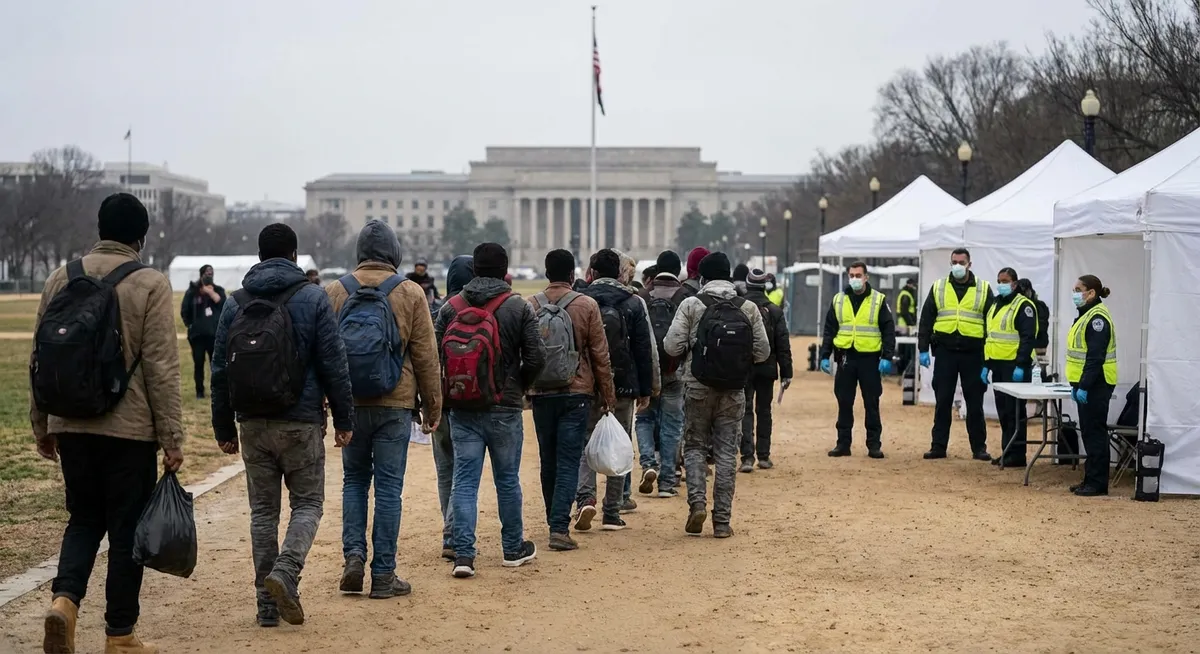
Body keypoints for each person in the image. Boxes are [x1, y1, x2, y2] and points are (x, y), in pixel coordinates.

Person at [33, 193, 184, 654]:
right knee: (125, 533)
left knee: (82, 521)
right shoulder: (150, 283)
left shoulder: (62, 276)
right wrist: (172, 437)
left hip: (72, 421)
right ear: (141, 236)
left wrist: (42, 424)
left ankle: (64, 602)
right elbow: (160, 366)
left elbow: (40, 357)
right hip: (129, 429)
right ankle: (119, 634)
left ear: (100, 228)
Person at [211, 223, 355, 627]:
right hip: (301, 418)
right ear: (294, 255)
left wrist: (223, 427)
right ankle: (286, 571)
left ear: (260, 256)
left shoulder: (235, 302)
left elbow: (220, 369)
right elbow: (333, 363)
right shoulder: (312, 297)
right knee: (307, 505)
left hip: (252, 421)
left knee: (262, 512)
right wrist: (344, 419)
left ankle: (266, 604)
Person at [324, 221, 442, 599]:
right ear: (395, 252)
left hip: (350, 402)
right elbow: (426, 357)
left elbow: (322, 355)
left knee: (354, 482)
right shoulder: (410, 292)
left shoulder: (335, 291)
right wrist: (432, 408)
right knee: (389, 488)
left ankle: (353, 558)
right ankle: (384, 574)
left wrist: (327, 401)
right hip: (396, 401)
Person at [434, 243, 545, 578]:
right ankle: (512, 548)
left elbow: (435, 355)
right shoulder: (517, 307)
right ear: (504, 270)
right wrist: (520, 386)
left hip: (463, 406)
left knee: (464, 481)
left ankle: (464, 555)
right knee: (507, 480)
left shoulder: (450, 308)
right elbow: (537, 357)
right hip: (505, 406)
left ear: (475, 269)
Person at [664, 252, 770, 538]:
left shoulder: (691, 304)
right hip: (734, 388)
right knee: (726, 453)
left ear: (703, 277)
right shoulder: (747, 307)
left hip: (697, 384)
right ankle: (722, 521)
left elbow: (672, 347)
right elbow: (763, 352)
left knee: (696, 446)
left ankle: (697, 503)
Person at [528, 250, 617, 552]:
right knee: (568, 459)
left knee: (548, 460)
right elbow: (600, 356)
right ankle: (558, 527)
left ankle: (553, 517)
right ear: (572, 275)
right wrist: (608, 394)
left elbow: (522, 355)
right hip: (577, 392)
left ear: (546, 272)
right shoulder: (586, 304)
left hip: (541, 393)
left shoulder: (531, 305)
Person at [574, 249, 655, 532]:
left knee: (585, 441)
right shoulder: (633, 302)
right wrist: (646, 388)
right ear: (619, 272)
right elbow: (643, 349)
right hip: (624, 383)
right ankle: (612, 510)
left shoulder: (582, 301)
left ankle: (585, 498)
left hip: (587, 383)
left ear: (593, 273)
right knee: (620, 443)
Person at [917, 247, 993, 460]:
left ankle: (979, 448)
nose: (957, 266)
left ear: (970, 264)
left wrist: (988, 358)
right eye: (954, 262)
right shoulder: (939, 287)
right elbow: (926, 320)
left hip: (973, 353)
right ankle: (938, 446)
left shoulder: (983, 289)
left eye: (961, 262)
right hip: (945, 352)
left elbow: (992, 323)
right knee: (942, 400)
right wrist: (923, 349)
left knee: (975, 403)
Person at [820, 261, 897, 458]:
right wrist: (824, 355)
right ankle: (843, 444)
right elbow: (830, 329)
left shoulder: (878, 300)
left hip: (869, 358)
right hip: (845, 356)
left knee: (871, 402)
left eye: (858, 275)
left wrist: (887, 356)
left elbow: (888, 330)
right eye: (851, 275)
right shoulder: (838, 300)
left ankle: (873, 444)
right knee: (844, 401)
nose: (855, 279)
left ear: (866, 277)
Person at [430, 254, 474, 561]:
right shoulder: (480, 312)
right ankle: (455, 532)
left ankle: (449, 532)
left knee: (446, 470)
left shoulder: (438, 311)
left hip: (442, 398)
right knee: (464, 471)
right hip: (471, 398)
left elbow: (427, 358)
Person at [637, 250, 689, 497]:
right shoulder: (686, 297)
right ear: (678, 270)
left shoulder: (643, 296)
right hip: (675, 368)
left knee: (645, 419)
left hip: (647, 369)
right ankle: (668, 481)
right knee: (672, 425)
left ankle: (648, 463)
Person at [1066, 275, 1117, 497]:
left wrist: (1084, 385)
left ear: (1092, 293)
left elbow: (1095, 357)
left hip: (1097, 383)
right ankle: (1090, 479)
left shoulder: (1097, 319)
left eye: (1079, 289)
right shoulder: (1086, 315)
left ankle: (1097, 484)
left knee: (1095, 433)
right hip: (1087, 383)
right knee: (1088, 432)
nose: (1075, 293)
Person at [982, 267, 1037, 468]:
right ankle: (1008, 451)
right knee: (1004, 412)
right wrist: (985, 365)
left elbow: (1027, 338)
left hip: (1014, 366)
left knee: (1015, 413)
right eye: (999, 280)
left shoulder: (1024, 306)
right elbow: (990, 336)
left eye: (1005, 281)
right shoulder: (995, 304)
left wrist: (1021, 365)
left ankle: (1017, 454)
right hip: (998, 366)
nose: (1001, 284)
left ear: (1014, 283)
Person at [740, 269, 793, 470]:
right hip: (767, 367)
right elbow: (783, 344)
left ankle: (746, 457)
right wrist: (787, 372)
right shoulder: (775, 311)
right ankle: (763, 455)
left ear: (747, 285)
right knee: (764, 410)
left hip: (743, 368)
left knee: (744, 411)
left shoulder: (739, 308)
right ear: (764, 287)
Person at [180, 263, 226, 399]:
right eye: (206, 273)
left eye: (211, 274)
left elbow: (224, 305)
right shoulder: (192, 292)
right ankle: (199, 391)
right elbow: (185, 311)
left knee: (216, 365)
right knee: (198, 363)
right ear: (201, 275)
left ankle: (217, 390)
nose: (209, 276)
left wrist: (211, 293)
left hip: (214, 335)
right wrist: (191, 325)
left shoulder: (218, 290)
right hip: (197, 336)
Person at [1016, 278, 1050, 354]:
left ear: (1029, 291)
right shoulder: (1022, 305)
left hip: (1037, 346)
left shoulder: (1039, 306)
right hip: (1029, 346)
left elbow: (1041, 326)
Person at [895, 277, 919, 374]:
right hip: (905, 325)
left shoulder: (905, 293)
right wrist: (912, 323)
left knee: (904, 349)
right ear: (910, 284)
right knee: (905, 350)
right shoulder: (906, 295)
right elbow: (904, 312)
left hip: (903, 324)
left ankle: (902, 370)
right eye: (913, 285)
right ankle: (902, 370)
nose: (914, 287)